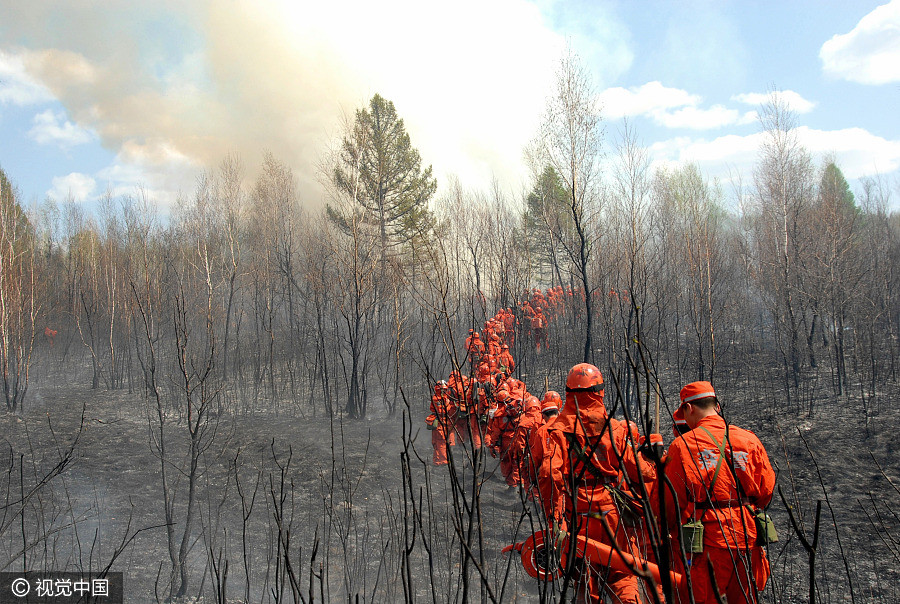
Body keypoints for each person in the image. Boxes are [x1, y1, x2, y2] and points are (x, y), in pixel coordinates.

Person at [539, 364, 656, 603]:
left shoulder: (558, 430)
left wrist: (555, 516)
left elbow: (549, 474)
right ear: (600, 392)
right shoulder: (614, 428)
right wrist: (653, 466)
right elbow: (641, 472)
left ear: (569, 392)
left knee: (583, 573)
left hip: (578, 512)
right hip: (610, 510)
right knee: (622, 572)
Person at [664, 381, 776, 604]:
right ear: (716, 405)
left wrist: (665, 531)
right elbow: (766, 491)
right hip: (748, 537)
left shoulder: (684, 445)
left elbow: (672, 501)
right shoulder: (749, 439)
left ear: (690, 408)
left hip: (709, 542)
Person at [426, 381, 456, 465]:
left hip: (446, 422)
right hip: (440, 422)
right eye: (443, 390)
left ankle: (437, 461)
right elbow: (441, 411)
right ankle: (442, 461)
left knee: (443, 442)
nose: (444, 392)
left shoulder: (447, 397)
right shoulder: (437, 398)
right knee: (440, 442)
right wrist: (448, 404)